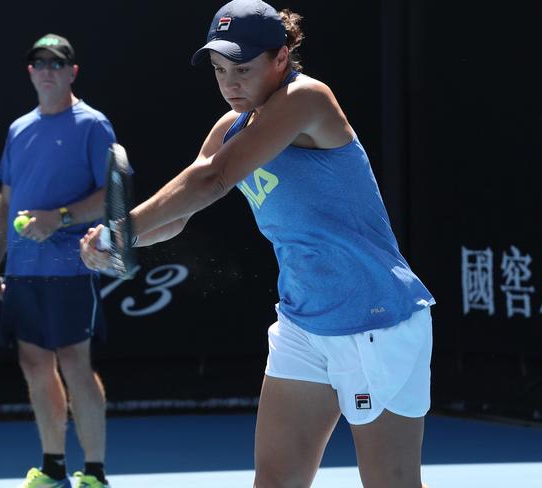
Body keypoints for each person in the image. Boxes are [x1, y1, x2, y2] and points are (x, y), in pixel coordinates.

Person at [81, 0, 435, 487]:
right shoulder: (230, 128)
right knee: (274, 482)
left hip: (376, 319)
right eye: (219, 70)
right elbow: (178, 216)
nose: (230, 83)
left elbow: (214, 179)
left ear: (281, 58)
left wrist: (123, 230)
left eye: (243, 69)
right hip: (303, 323)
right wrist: (112, 240)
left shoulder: (308, 99)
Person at [0, 33, 114, 488]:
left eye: (58, 64)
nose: (48, 71)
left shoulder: (93, 125)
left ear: (72, 72)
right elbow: (7, 198)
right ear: (30, 72)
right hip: (22, 272)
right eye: (40, 63)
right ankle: (53, 465)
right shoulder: (19, 129)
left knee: (75, 364)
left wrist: (58, 218)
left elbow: (111, 198)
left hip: (71, 268)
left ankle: (94, 471)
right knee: (35, 365)